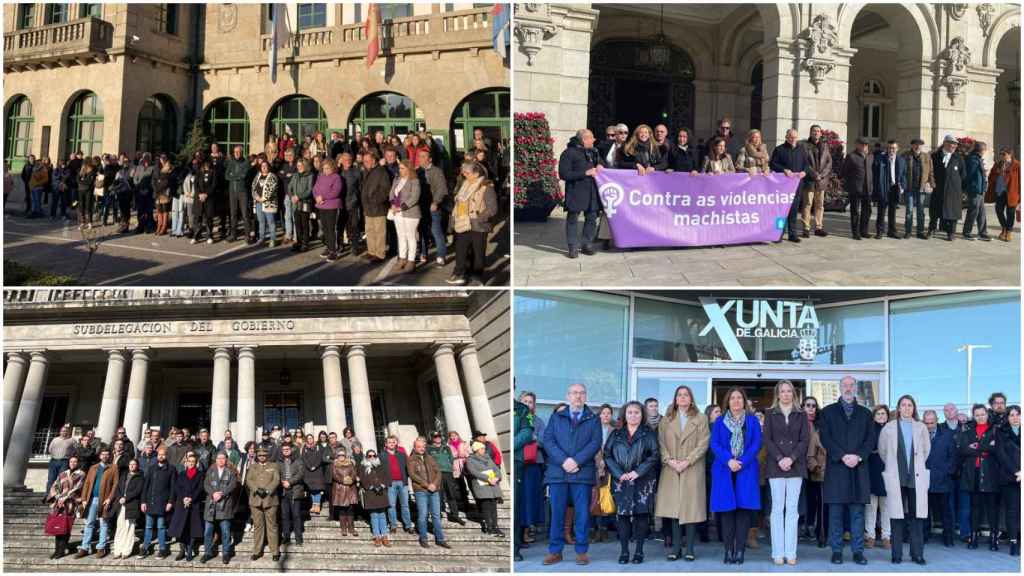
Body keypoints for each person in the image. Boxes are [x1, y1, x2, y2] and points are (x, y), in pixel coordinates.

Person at [541, 383, 602, 566]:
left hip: (581, 473)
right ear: (568, 396)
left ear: (586, 396)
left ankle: (582, 551)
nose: (578, 396)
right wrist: (564, 461)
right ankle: (555, 551)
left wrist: (576, 461)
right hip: (558, 473)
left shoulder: (593, 418)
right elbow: (548, 440)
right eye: (575, 393)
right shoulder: (556, 417)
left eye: (582, 393)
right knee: (557, 513)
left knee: (582, 514)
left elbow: (595, 442)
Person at [818, 375, 873, 565]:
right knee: (836, 514)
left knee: (857, 514)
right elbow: (825, 438)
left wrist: (857, 456)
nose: (848, 388)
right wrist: (842, 456)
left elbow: (870, 440)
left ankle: (858, 552)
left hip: (859, 469)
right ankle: (837, 551)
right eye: (845, 385)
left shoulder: (866, 413)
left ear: (855, 388)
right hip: (837, 469)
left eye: (851, 385)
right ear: (839, 388)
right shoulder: (827, 412)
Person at [655, 386, 708, 562]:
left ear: (691, 399)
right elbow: (661, 443)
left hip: (692, 468)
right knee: (674, 510)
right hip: (671, 468)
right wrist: (669, 460)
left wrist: (687, 461)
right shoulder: (667, 419)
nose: (683, 397)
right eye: (680, 395)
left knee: (690, 509)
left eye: (686, 395)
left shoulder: (701, 418)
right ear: (675, 399)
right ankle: (676, 548)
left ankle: (690, 548)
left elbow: (703, 443)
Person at [603, 400, 659, 565]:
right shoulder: (616, 433)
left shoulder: (648, 433)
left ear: (642, 415)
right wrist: (619, 473)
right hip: (621, 481)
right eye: (630, 412)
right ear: (624, 415)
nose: (633, 415)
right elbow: (607, 455)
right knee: (623, 516)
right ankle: (624, 551)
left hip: (643, 480)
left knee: (641, 515)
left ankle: (639, 551)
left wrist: (638, 471)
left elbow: (654, 455)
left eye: (637, 412)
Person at [709, 388, 761, 565]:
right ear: (728, 401)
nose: (736, 401)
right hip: (725, 470)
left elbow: (756, 444)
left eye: (740, 398)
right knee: (727, 513)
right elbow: (714, 444)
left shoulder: (752, 421)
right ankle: (728, 550)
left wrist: (742, 462)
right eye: (733, 398)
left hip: (745, 470)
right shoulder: (719, 421)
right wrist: (728, 460)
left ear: (744, 401)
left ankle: (740, 551)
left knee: (743, 513)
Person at [878, 395, 931, 565]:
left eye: (910, 405)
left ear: (914, 408)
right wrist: (894, 466)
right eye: (903, 405)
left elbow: (926, 450)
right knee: (896, 516)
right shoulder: (889, 427)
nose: (907, 408)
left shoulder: (921, 427)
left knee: (917, 517)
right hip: (897, 477)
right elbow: (883, 451)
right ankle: (897, 554)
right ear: (898, 408)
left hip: (916, 478)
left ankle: (918, 554)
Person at [763, 380, 810, 565]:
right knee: (776, 509)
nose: (786, 394)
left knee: (792, 510)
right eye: (782, 391)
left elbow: (804, 440)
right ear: (778, 394)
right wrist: (780, 459)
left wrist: (791, 458)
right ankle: (777, 552)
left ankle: (791, 552)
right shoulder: (770, 413)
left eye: (789, 391)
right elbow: (767, 439)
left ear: (794, 394)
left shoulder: (802, 414)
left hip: (795, 466)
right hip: (776, 466)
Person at [446, 160, 497, 285]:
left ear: (476, 174)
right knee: (460, 250)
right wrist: (452, 221)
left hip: (478, 225)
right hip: (462, 223)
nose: (464, 175)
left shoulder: (486, 187)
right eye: (463, 172)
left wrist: (478, 218)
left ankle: (477, 276)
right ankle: (459, 273)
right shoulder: (464, 185)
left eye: (467, 173)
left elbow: (492, 209)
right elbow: (457, 205)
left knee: (478, 252)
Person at [958, 403, 1000, 551]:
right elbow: (963, 450)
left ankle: (994, 539)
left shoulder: (995, 430)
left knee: (991, 508)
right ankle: (973, 537)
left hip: (990, 474)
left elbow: (995, 449)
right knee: (975, 507)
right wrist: (985, 448)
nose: (980, 417)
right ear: (974, 416)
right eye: (977, 415)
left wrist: (976, 447)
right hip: (973, 473)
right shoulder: (968, 431)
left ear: (987, 414)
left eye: (983, 414)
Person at [559, 129, 602, 259]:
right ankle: (572, 247)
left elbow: (600, 163)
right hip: (576, 192)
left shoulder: (593, 152)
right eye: (591, 138)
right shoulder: (568, 153)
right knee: (573, 219)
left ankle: (587, 244)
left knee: (592, 218)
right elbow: (564, 174)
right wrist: (585, 173)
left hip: (592, 192)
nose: (594, 140)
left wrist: (600, 165)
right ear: (584, 139)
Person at [74, 446, 117, 559]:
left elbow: (115, 485)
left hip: (104, 500)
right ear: (100, 456)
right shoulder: (93, 467)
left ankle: (101, 547)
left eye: (107, 454)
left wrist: (110, 498)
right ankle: (84, 547)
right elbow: (87, 483)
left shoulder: (113, 468)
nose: (105, 456)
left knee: (104, 523)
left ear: (109, 456)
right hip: (92, 499)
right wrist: (84, 499)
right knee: (89, 523)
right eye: (103, 454)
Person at [407, 436, 450, 548]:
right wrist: (427, 485)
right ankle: (423, 538)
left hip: (434, 490)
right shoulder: (411, 459)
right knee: (423, 515)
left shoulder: (430, 458)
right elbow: (413, 475)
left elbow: (438, 472)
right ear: (415, 448)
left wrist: (435, 484)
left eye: (423, 446)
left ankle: (440, 539)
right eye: (419, 447)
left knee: (436, 515)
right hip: (421, 491)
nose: (422, 448)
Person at [923, 409, 957, 547]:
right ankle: (924, 535)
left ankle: (948, 537)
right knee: (924, 511)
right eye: (927, 423)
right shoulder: (919, 435)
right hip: (925, 479)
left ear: (937, 420)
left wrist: (947, 472)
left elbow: (954, 457)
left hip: (943, 480)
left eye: (932, 422)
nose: (930, 425)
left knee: (945, 511)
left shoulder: (947, 435)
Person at [770, 128, 809, 243]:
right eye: (791, 137)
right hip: (783, 188)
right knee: (781, 212)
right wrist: (784, 170)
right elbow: (773, 164)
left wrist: (804, 172)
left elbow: (807, 165)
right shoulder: (779, 149)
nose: (793, 139)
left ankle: (792, 234)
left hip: (797, 186)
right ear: (786, 137)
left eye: (795, 137)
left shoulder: (801, 150)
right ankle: (778, 235)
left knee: (793, 211)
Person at [46, 454, 86, 559]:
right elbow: (55, 485)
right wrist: (58, 497)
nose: (73, 463)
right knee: (57, 526)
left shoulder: (81, 474)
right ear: (69, 463)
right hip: (59, 504)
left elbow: (78, 488)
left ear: (78, 463)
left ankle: (62, 550)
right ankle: (56, 550)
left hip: (70, 504)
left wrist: (65, 498)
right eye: (71, 461)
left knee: (66, 527)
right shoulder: (63, 473)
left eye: (75, 462)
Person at [201, 451, 237, 565]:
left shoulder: (230, 472)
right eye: (218, 458)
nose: (221, 460)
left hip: (225, 505)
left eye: (223, 458)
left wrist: (221, 494)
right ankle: (208, 552)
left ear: (226, 460)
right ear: (215, 460)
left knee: (226, 531)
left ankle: (226, 553)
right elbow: (206, 484)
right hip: (211, 505)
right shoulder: (210, 471)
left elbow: (233, 485)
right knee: (208, 532)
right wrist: (213, 494)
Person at [245, 447, 281, 561]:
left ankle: (275, 551)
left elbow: (276, 480)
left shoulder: (274, 466)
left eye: (264, 455)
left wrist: (267, 490)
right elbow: (248, 480)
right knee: (258, 527)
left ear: (267, 456)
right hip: (256, 500)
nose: (262, 457)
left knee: (272, 526)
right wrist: (256, 489)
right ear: (257, 456)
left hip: (270, 500)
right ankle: (257, 551)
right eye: (260, 455)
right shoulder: (253, 466)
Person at [139, 447, 174, 558]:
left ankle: (163, 549)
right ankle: (145, 547)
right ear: (157, 455)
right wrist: (143, 501)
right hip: (150, 501)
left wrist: (170, 502)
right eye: (159, 454)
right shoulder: (152, 468)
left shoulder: (171, 469)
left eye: (163, 455)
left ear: (166, 456)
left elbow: (173, 488)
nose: (161, 456)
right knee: (148, 526)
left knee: (161, 527)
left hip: (163, 502)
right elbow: (146, 485)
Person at [168, 452, 203, 562]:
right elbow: (177, 487)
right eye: (189, 462)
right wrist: (184, 498)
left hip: (194, 504)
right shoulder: (182, 474)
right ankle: (182, 550)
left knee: (192, 528)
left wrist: (191, 498)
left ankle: (190, 550)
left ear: (196, 463)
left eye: (193, 462)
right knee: (180, 528)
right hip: (181, 504)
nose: (191, 463)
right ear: (186, 463)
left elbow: (200, 488)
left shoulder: (200, 474)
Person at [929, 134, 965, 241]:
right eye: (951, 143)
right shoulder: (935, 156)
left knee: (953, 212)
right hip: (938, 188)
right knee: (935, 210)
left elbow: (963, 174)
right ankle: (931, 229)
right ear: (945, 143)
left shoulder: (958, 158)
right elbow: (931, 171)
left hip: (953, 190)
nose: (953, 146)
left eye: (955, 144)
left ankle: (951, 233)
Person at [995, 405, 1021, 556]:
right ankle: (1013, 542)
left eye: (1018, 414)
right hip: (1009, 477)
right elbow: (1001, 455)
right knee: (1012, 511)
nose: (1015, 417)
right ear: (1007, 417)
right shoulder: (1001, 432)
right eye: (1011, 415)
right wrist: (1017, 472)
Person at [417, 149, 449, 266]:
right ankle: (423, 253)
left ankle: (441, 255)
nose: (420, 158)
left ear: (429, 159)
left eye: (423, 156)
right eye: (419, 156)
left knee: (436, 231)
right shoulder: (417, 171)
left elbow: (442, 189)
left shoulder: (436, 171)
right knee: (423, 231)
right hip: (421, 206)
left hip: (433, 206)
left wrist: (436, 202)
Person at [389, 160, 422, 272]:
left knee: (410, 236)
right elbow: (392, 193)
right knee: (401, 236)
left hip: (410, 213)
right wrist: (393, 204)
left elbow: (414, 197)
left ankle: (411, 261)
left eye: (402, 168)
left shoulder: (415, 181)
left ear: (409, 169)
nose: (400, 170)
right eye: (400, 168)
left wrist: (401, 207)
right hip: (397, 213)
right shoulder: (397, 179)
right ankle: (402, 259)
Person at [804, 396, 828, 548]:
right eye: (808, 405)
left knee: (818, 501)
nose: (811, 408)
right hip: (798, 465)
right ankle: (806, 526)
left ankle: (817, 530)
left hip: (816, 470)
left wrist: (817, 466)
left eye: (814, 406)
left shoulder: (820, 426)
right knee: (806, 501)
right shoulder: (798, 422)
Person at [865, 404, 891, 549]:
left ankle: (886, 536)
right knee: (871, 506)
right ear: (874, 416)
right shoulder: (869, 430)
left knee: (887, 506)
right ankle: (870, 536)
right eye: (878, 414)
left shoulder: (892, 430)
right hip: (872, 470)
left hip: (888, 471)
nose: (881, 416)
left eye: (883, 414)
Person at [801, 125, 833, 237]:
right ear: (810, 132)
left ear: (821, 133)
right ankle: (806, 228)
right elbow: (804, 162)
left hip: (821, 181)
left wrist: (822, 175)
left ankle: (819, 228)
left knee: (820, 204)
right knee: (807, 204)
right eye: (814, 131)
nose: (816, 133)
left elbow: (829, 162)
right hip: (809, 180)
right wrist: (814, 174)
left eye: (818, 131)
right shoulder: (804, 146)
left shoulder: (825, 146)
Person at [840, 137, 874, 240]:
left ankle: (864, 231)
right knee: (855, 211)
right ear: (857, 145)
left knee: (867, 210)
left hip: (867, 188)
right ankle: (856, 233)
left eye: (866, 145)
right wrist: (849, 184)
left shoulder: (870, 156)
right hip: (855, 188)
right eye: (862, 144)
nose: (864, 146)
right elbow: (844, 172)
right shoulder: (851, 156)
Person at [513, 398, 535, 561]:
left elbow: (527, 432)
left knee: (515, 505)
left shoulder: (522, 409)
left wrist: (511, 444)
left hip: (516, 460)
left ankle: (515, 548)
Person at [361, 150, 391, 262]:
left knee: (379, 232)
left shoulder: (381, 171)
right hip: (368, 207)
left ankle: (380, 254)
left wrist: (375, 200)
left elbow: (385, 190)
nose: (366, 163)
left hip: (378, 207)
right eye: (364, 161)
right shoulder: (366, 171)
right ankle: (371, 251)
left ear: (374, 160)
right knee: (370, 231)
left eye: (368, 161)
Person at [427, 432, 464, 525]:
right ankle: (438, 514)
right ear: (432, 438)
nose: (438, 438)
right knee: (437, 493)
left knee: (451, 493)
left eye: (439, 436)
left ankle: (455, 514)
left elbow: (451, 459)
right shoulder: (429, 449)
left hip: (447, 473)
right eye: (435, 436)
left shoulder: (446, 447)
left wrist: (450, 466)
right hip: (436, 474)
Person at [358, 449, 391, 547]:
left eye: (373, 456)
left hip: (381, 493)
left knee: (382, 515)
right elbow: (362, 479)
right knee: (374, 516)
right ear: (366, 457)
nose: (372, 457)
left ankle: (384, 536)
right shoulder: (363, 467)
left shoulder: (381, 466)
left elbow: (387, 478)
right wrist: (370, 486)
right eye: (369, 456)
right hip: (371, 494)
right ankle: (377, 536)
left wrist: (382, 485)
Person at [903, 139, 935, 239]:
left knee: (921, 211)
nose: (918, 147)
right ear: (912, 146)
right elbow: (902, 171)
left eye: (920, 145)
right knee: (909, 210)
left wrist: (931, 183)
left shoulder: (926, 156)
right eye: (916, 145)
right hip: (909, 187)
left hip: (921, 188)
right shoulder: (906, 155)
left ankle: (920, 232)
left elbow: (931, 171)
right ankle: (908, 231)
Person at [382, 435, 414, 534]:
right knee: (391, 505)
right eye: (389, 442)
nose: (392, 444)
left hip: (402, 482)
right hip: (390, 484)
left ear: (396, 443)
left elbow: (408, 467)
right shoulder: (382, 456)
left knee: (405, 505)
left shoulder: (402, 454)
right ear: (386, 444)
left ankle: (408, 525)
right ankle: (393, 525)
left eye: (393, 442)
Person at [988, 147, 1020, 242]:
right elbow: (991, 176)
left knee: (1010, 213)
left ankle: (1008, 232)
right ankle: (1004, 228)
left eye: (1004, 154)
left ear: (1010, 154)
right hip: (1000, 191)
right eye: (1001, 154)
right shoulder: (998, 164)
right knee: (998, 210)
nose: (1002, 156)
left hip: (1012, 193)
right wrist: (996, 174)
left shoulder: (1017, 165)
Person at [278, 442, 306, 545]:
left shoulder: (298, 461)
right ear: (281, 451)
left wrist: (290, 482)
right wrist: (282, 482)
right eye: (284, 449)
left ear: (291, 450)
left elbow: (301, 474)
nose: (286, 450)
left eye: (287, 449)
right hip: (283, 492)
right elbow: (276, 474)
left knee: (296, 515)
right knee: (285, 515)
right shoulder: (279, 462)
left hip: (295, 490)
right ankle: (286, 537)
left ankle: (298, 538)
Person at [963, 141, 991, 240]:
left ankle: (983, 232)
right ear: (982, 150)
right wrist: (967, 188)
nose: (985, 151)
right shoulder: (973, 159)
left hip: (980, 189)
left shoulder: (977, 158)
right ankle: (967, 232)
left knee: (981, 212)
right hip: (974, 189)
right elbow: (969, 175)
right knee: (973, 210)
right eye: (985, 149)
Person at [225, 146, 252, 243]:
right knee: (233, 214)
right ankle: (233, 235)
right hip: (232, 191)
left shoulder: (246, 163)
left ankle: (247, 236)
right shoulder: (231, 162)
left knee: (245, 214)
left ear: (242, 152)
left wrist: (234, 176)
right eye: (235, 151)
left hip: (242, 192)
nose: (237, 153)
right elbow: (226, 176)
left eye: (239, 152)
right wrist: (236, 176)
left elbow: (243, 176)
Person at [331, 445, 359, 536]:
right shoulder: (334, 465)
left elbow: (354, 474)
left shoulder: (350, 464)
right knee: (342, 510)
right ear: (337, 456)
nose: (341, 457)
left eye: (343, 455)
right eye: (339, 455)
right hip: (340, 490)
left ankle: (351, 528)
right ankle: (343, 528)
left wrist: (351, 479)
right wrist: (343, 480)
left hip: (350, 489)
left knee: (350, 509)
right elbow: (334, 475)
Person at [339, 152, 363, 255]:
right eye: (345, 159)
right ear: (341, 161)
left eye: (349, 159)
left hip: (353, 203)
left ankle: (354, 246)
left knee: (354, 226)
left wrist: (358, 200)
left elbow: (361, 187)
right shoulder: (338, 172)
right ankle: (340, 246)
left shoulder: (357, 172)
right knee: (341, 226)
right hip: (340, 204)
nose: (347, 161)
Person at [46, 424, 75, 497]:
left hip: (64, 461)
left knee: (62, 479)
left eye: (65, 431)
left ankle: (59, 496)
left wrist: (69, 457)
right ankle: (49, 495)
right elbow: (50, 449)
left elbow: (75, 451)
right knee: (51, 479)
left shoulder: (72, 440)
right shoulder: (55, 439)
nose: (64, 432)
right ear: (60, 432)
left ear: (68, 432)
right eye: (62, 431)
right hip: (53, 461)